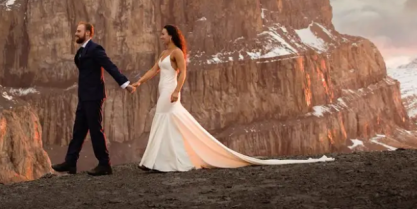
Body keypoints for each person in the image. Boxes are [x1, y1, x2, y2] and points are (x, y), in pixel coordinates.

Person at [130, 24, 334, 172]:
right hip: (162, 90)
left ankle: (168, 161)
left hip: (171, 90)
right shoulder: (164, 53)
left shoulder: (176, 53)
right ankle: (158, 161)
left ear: (171, 36)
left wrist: (176, 91)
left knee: (168, 120)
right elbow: (153, 70)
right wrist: (139, 82)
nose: (160, 36)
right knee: (165, 120)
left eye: (163, 34)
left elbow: (183, 72)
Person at [51, 22, 133, 177]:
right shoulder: (81, 52)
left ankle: (104, 164)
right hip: (84, 97)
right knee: (79, 130)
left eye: (78, 31)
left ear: (88, 33)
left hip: (94, 97)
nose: (75, 33)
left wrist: (125, 84)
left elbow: (110, 66)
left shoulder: (95, 49)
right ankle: (70, 162)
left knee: (95, 130)